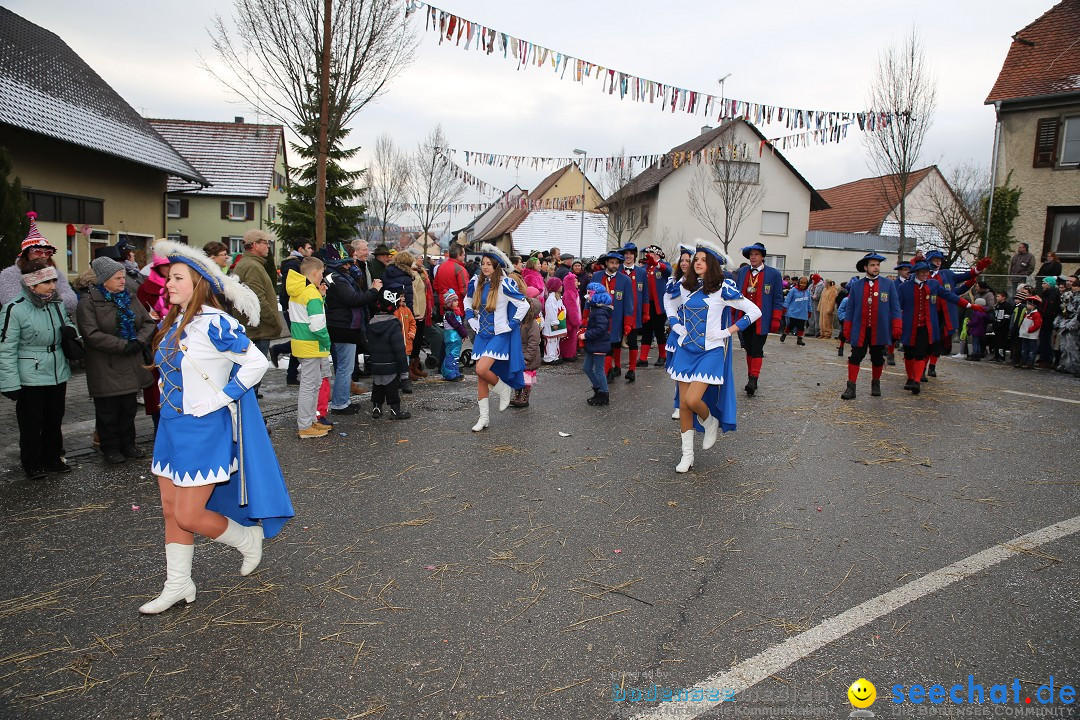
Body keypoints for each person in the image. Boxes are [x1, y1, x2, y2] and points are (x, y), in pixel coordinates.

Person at [142, 239, 292, 614]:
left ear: (199, 282)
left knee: (189, 514)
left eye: (177, 278)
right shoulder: (176, 320)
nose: (168, 284)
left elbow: (256, 363)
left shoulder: (216, 322)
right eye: (168, 278)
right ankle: (178, 584)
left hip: (204, 429)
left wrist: (217, 400)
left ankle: (246, 538)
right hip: (172, 427)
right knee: (169, 508)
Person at [666, 240, 761, 473]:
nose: (696, 263)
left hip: (711, 352)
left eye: (701, 260)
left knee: (692, 400)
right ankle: (687, 456)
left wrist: (727, 331)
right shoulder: (684, 287)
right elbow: (669, 305)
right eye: (694, 259)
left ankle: (710, 422)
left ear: (712, 264)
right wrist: (677, 327)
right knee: (685, 407)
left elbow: (754, 311)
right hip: (685, 350)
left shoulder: (723, 288)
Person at [76, 257, 155, 464]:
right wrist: (123, 345)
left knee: (128, 408)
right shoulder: (88, 302)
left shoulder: (129, 297)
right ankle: (110, 447)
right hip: (106, 365)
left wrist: (138, 341)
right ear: (104, 280)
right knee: (108, 411)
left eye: (122, 277)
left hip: (131, 362)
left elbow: (147, 322)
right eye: (118, 278)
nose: (123, 281)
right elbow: (91, 334)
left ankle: (128, 444)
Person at [0, 259, 75, 478]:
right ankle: (31, 462)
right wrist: (9, 383)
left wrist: (70, 330)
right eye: (47, 282)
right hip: (29, 376)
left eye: (54, 280)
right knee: (32, 423)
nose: (53, 286)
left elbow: (66, 324)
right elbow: (6, 348)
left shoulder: (56, 303)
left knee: (54, 418)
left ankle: (52, 458)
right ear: (32, 285)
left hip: (57, 370)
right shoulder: (14, 308)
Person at [465, 244, 529, 432]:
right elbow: (467, 300)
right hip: (482, 334)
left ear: (496, 267)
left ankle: (503, 389)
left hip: (499, 334)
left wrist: (512, 324)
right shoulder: (477, 281)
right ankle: (483, 418)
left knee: (481, 368)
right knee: (480, 377)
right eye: (483, 263)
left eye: (488, 264)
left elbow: (523, 304)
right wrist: (470, 317)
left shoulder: (504, 284)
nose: (484, 267)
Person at [896, 261, 983, 395]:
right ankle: (910, 378)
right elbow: (897, 306)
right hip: (909, 325)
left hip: (926, 326)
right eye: (923, 272)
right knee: (909, 354)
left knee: (920, 353)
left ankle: (917, 382)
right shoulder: (904, 287)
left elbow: (950, 296)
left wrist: (969, 305)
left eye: (927, 272)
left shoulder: (934, 284)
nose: (926, 274)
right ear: (916, 273)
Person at [840, 253, 902, 400]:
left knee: (877, 358)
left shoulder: (888, 285)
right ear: (866, 267)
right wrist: (847, 328)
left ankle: (875, 384)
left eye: (877, 265)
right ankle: (851, 387)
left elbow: (895, 307)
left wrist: (897, 325)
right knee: (855, 357)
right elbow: (850, 309)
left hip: (879, 329)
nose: (876, 268)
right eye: (873, 265)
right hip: (860, 329)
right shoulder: (856, 286)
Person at [231, 230, 284, 396]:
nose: (268, 246)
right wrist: (275, 321)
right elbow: (257, 300)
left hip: (256, 329)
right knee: (252, 381)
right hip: (257, 330)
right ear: (254, 245)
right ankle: (249, 420)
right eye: (265, 242)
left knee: (250, 380)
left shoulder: (250, 264)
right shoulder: (251, 266)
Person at [325, 257, 380, 415]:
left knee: (344, 367)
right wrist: (374, 290)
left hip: (344, 326)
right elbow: (353, 299)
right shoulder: (338, 279)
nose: (351, 267)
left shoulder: (336, 277)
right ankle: (340, 404)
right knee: (345, 367)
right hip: (343, 327)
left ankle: (343, 400)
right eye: (348, 264)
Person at [923, 249, 991, 379]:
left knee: (938, 342)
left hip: (944, 314)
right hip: (928, 313)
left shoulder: (947, 274)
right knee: (926, 341)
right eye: (934, 260)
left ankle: (932, 366)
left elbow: (962, 282)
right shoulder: (923, 274)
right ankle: (921, 368)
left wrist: (978, 269)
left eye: (939, 260)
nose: (937, 263)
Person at [286, 257, 332, 438]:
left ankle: (310, 420)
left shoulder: (300, 291)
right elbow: (317, 324)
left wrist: (321, 296)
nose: (322, 277)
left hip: (301, 342)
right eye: (321, 273)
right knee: (310, 385)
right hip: (312, 344)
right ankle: (306, 425)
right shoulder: (310, 294)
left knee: (313, 384)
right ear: (314, 273)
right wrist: (326, 341)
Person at [0, 212, 78, 315]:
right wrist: (53, 299)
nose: (43, 255)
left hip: (54, 324)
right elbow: (13, 304)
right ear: (25, 254)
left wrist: (40, 298)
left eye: (47, 252)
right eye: (37, 251)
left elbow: (72, 301)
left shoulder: (55, 273)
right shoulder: (9, 274)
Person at [733, 243, 784, 396]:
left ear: (763, 257)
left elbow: (778, 298)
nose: (753, 257)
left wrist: (776, 318)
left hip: (763, 318)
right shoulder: (742, 272)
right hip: (745, 317)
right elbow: (735, 294)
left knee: (757, 347)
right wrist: (733, 315)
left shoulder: (773, 274)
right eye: (751, 255)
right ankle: (751, 376)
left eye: (756, 254)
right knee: (748, 347)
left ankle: (754, 379)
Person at [269, 238, 314, 385]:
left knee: (299, 338)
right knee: (300, 338)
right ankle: (278, 349)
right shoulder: (292, 264)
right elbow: (292, 287)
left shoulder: (298, 263)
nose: (311, 250)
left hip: (296, 306)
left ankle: (291, 375)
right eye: (309, 248)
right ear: (301, 249)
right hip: (292, 307)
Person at [366, 286, 411, 419]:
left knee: (377, 387)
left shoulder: (372, 323)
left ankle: (376, 408)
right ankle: (395, 411)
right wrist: (404, 373)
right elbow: (399, 349)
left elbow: (369, 344)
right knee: (391, 388)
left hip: (376, 363)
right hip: (390, 364)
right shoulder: (393, 324)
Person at [590, 251, 635, 381]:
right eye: (611, 262)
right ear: (606, 263)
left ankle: (604, 374)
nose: (614, 265)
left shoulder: (625, 280)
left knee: (611, 344)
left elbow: (629, 302)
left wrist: (627, 322)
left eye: (616, 263)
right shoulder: (597, 276)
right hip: (598, 317)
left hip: (616, 318)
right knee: (600, 346)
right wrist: (586, 315)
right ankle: (607, 371)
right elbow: (589, 297)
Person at [663, 245, 695, 418]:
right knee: (679, 370)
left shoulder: (700, 281)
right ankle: (679, 404)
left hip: (696, 329)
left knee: (694, 370)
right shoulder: (673, 281)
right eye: (682, 260)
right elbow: (668, 303)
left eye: (688, 261)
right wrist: (674, 322)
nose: (684, 264)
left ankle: (693, 402)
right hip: (678, 329)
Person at [615, 242, 648, 382]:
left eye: (630, 253)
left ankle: (632, 370)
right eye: (625, 254)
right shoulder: (617, 270)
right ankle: (616, 366)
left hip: (634, 313)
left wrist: (646, 312)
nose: (628, 256)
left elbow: (645, 294)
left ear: (634, 255)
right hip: (618, 312)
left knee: (633, 342)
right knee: (616, 341)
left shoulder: (641, 272)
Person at [639, 245, 671, 367]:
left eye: (650, 253)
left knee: (659, 331)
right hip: (647, 304)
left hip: (659, 304)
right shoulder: (645, 268)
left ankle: (663, 356)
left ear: (656, 254)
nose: (648, 255)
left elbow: (668, 271)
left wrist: (656, 264)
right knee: (646, 330)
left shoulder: (663, 265)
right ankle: (643, 358)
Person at [511, 286, 543, 407]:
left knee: (526, 379)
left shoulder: (532, 324)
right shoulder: (521, 322)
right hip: (520, 354)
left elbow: (534, 342)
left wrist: (528, 357)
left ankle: (524, 397)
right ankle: (517, 396)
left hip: (528, 357)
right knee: (518, 377)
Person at [582, 282, 613, 406]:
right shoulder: (596, 309)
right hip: (594, 343)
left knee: (599, 369)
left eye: (589, 293)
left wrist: (585, 335)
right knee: (587, 368)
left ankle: (603, 392)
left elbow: (601, 329)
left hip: (598, 343)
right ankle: (598, 389)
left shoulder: (599, 311)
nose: (587, 296)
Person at [434, 245, 469, 320]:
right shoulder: (460, 269)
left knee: (446, 329)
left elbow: (436, 286)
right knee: (459, 329)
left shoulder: (441, 267)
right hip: (457, 308)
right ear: (458, 255)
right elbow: (465, 290)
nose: (464, 257)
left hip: (444, 306)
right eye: (463, 255)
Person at [393, 290, 417, 393]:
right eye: (401, 296)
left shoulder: (407, 310)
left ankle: (405, 381)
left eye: (403, 296)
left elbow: (412, 323)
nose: (403, 298)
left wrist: (411, 335)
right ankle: (397, 380)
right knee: (396, 362)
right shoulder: (395, 311)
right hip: (397, 342)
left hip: (406, 342)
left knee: (405, 363)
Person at [1055, 275, 1080, 375]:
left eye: (1075, 285)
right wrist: (1059, 321)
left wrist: (1072, 324)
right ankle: (1065, 365)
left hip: (1074, 324)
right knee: (1064, 346)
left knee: (1073, 347)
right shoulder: (1067, 295)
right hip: (1065, 322)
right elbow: (1062, 310)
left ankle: (1076, 367)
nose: (1072, 286)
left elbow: (1078, 314)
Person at [440, 290, 466, 382]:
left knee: (455, 355)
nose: (457, 302)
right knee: (451, 355)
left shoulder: (454, 313)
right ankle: (449, 373)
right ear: (449, 303)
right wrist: (464, 333)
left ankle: (455, 371)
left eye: (457, 300)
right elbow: (456, 325)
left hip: (456, 337)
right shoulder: (449, 314)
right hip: (452, 337)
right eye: (454, 301)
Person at [1037, 276, 1061, 368]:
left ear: (1049, 284)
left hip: (1048, 320)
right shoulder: (1046, 294)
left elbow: (1050, 309)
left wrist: (1041, 310)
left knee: (1046, 339)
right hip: (1044, 318)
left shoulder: (1052, 295)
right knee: (1043, 339)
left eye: (1044, 283)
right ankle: (1043, 357)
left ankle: (1047, 358)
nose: (1042, 285)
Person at [542, 276, 566, 364]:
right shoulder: (551, 299)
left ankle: (555, 356)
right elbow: (551, 311)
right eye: (560, 285)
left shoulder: (558, 298)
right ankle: (549, 357)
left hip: (557, 322)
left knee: (556, 340)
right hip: (552, 324)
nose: (561, 287)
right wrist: (554, 322)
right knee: (550, 341)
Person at [780, 277, 811, 345]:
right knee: (791, 325)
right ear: (798, 282)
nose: (803, 285)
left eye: (805, 283)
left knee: (801, 326)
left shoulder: (807, 291)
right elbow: (788, 299)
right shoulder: (793, 290)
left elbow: (809, 302)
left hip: (803, 312)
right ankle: (784, 334)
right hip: (793, 311)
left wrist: (809, 310)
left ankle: (799, 339)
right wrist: (785, 307)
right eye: (801, 283)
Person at [559, 271, 581, 362]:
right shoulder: (569, 293)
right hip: (570, 322)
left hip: (573, 321)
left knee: (573, 338)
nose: (577, 283)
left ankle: (572, 353)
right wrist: (576, 321)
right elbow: (571, 310)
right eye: (575, 281)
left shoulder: (574, 292)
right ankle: (567, 355)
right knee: (569, 339)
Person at [1018, 296, 1042, 369]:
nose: (1027, 305)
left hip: (1032, 335)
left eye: (1029, 304)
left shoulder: (1036, 314)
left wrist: (1030, 330)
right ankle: (1023, 361)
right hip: (1025, 334)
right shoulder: (1027, 313)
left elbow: (1037, 324)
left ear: (1033, 305)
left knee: (1032, 350)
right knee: (1024, 349)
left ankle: (1030, 362)